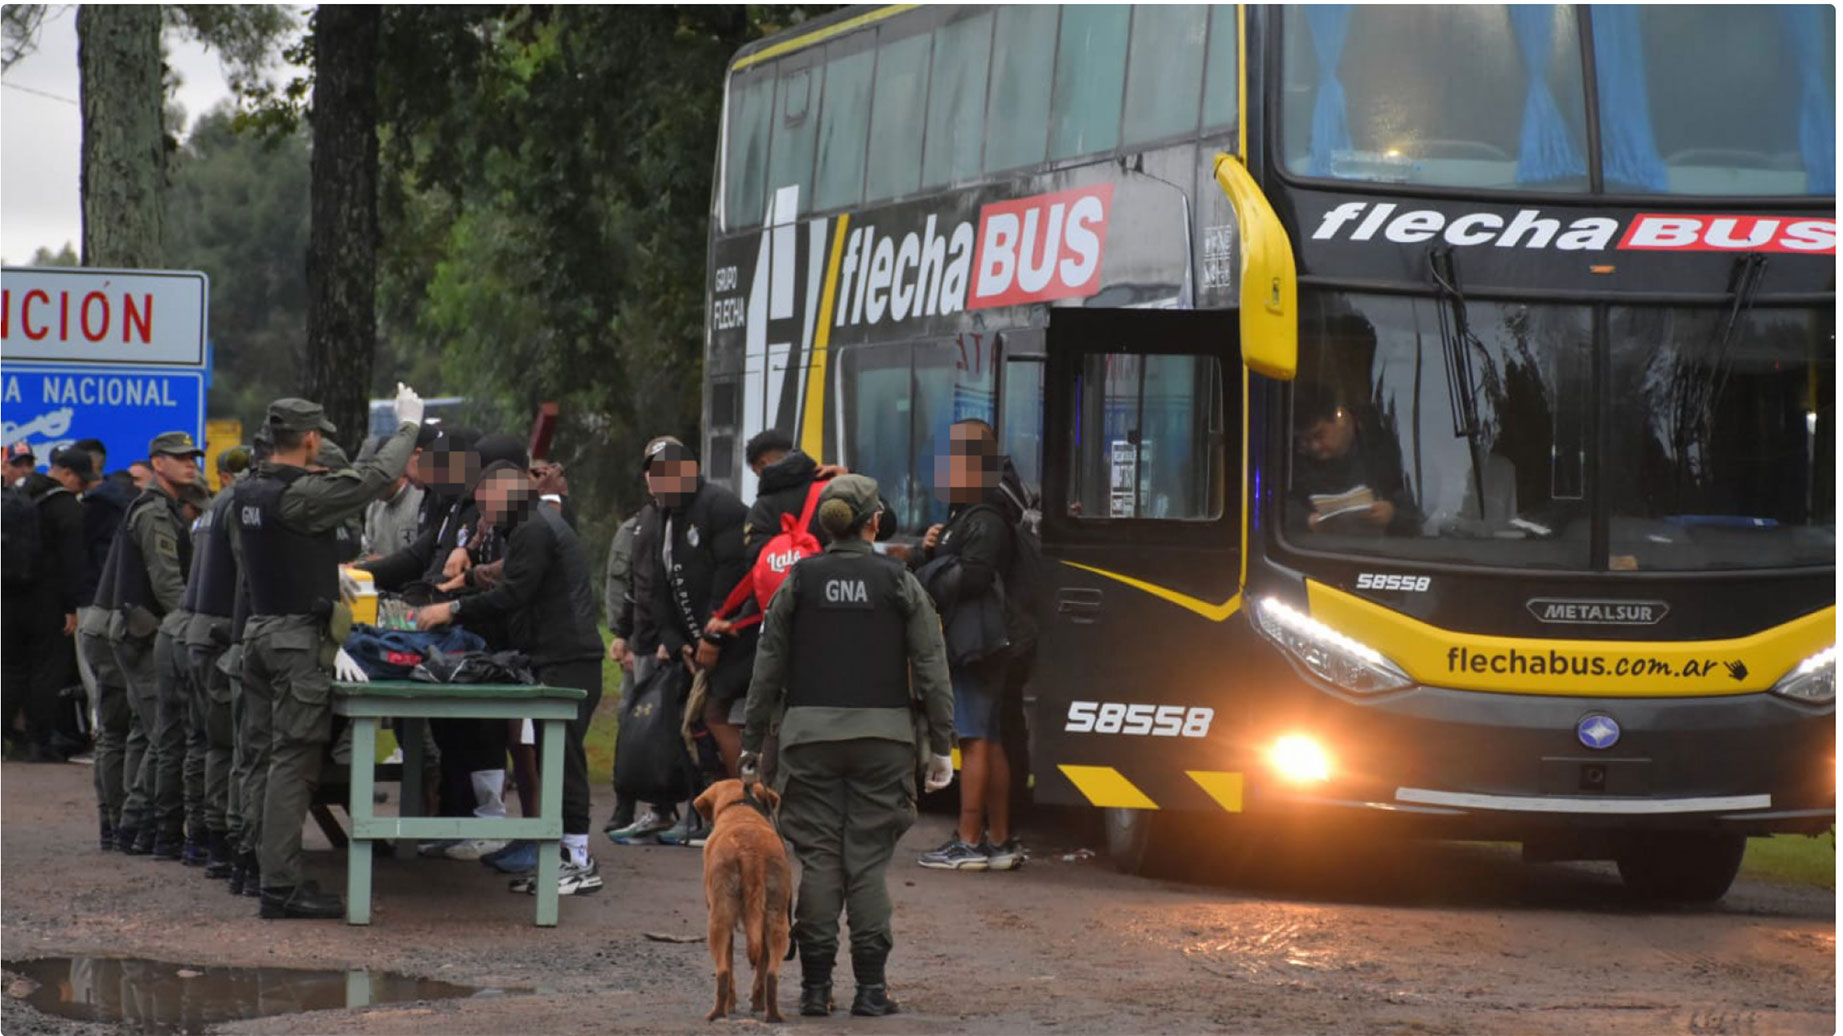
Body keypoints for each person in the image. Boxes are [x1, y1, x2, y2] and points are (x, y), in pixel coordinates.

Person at [738, 474, 954, 1019]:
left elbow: (767, 669)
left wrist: (750, 743)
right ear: (874, 522)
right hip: (883, 741)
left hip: (807, 741)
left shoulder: (800, 581)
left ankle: (814, 989)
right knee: (866, 865)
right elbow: (931, 667)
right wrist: (943, 745)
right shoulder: (899, 581)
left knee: (819, 862)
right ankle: (872, 991)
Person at [234, 389, 424, 919]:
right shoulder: (300, 494)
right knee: (294, 764)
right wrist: (407, 428)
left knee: (263, 759)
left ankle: (253, 867)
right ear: (312, 438)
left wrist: (322, 578)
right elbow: (371, 481)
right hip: (295, 640)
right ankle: (281, 885)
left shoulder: (250, 489)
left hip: (259, 631)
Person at [414, 460, 607, 897]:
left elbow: (515, 592)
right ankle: (561, 853)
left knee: (566, 760)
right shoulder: (526, 527)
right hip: (552, 657)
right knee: (551, 756)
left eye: (485, 504)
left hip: (570, 658)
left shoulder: (535, 527)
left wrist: (452, 609)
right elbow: (504, 572)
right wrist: (464, 572)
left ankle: (578, 857)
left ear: (506, 494)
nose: (481, 514)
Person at [910, 419, 1030, 872]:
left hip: (977, 644)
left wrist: (927, 570)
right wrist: (932, 550)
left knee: (974, 738)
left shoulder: (984, 517)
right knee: (990, 738)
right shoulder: (973, 512)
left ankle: (968, 841)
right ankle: (998, 840)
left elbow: (973, 575)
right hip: (984, 642)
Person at [645, 437, 751, 842]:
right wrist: (676, 642)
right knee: (692, 723)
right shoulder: (662, 517)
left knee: (715, 717)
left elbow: (734, 576)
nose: (658, 488)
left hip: (734, 640)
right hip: (692, 648)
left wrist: (713, 635)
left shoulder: (719, 507)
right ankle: (709, 810)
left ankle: (744, 808)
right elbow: (660, 586)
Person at [108, 431, 206, 859]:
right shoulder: (155, 512)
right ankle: (135, 824)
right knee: (162, 736)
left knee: (141, 733)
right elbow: (166, 582)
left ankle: (130, 825)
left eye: (192, 457)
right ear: (157, 463)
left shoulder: (161, 507)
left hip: (139, 630)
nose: (190, 464)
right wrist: (186, 626)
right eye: (180, 458)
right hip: (148, 633)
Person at [181, 447, 250, 878]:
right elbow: (246, 575)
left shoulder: (208, 512)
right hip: (220, 633)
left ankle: (200, 838)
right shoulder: (237, 507)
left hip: (195, 630)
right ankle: (222, 841)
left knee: (203, 742)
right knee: (226, 745)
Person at [70, 449, 135, 848]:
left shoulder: (91, 510)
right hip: (119, 615)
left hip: (94, 609)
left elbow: (76, 559)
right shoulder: (128, 509)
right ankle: (129, 824)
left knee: (109, 722)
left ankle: (115, 825)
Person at [2, 449, 85, 761]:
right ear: (64, 474)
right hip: (47, 601)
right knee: (46, 671)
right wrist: (72, 606)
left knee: (9, 669)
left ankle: (7, 739)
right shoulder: (66, 507)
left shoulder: (12, 494)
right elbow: (73, 562)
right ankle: (40, 741)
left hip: (7, 597)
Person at [1288, 384, 1420, 536]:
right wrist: (1306, 521)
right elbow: (1277, 506)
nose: (1314, 446)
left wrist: (1393, 514)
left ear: (1340, 416)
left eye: (1319, 435)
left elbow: (1417, 505)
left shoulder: (1386, 444)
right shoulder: (1295, 459)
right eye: (1306, 440)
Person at [360, 426, 434, 557]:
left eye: (373, 474)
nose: (368, 481)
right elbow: (367, 553)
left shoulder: (422, 497)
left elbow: (424, 557)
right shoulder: (373, 505)